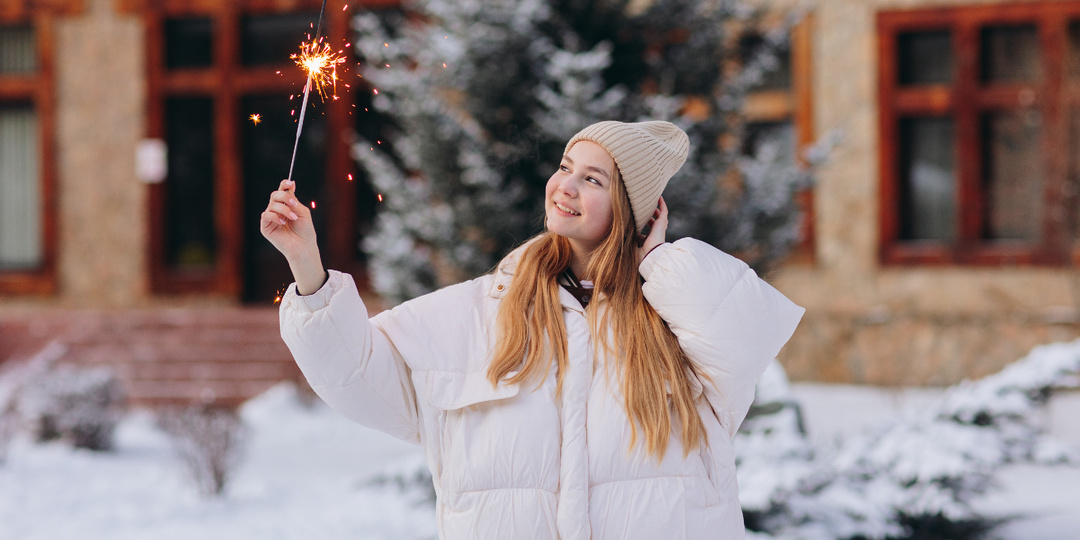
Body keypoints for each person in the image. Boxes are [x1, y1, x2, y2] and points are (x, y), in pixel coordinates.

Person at [261, 120, 804, 540]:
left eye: (593, 179)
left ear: (633, 211)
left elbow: (749, 329)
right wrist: (307, 265)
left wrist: (658, 259)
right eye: (566, 167)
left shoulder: (679, 325)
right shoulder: (480, 310)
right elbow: (360, 377)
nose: (565, 187)